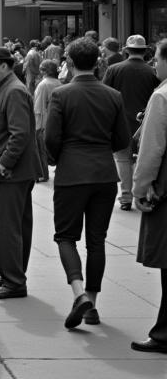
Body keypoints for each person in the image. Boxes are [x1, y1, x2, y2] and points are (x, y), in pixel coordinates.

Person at [43, 38, 131, 329]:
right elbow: (121, 141)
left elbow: (51, 137)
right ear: (98, 62)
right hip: (104, 174)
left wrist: (57, 159)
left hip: (71, 173)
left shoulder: (62, 95)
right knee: (97, 240)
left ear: (69, 62)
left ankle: (79, 293)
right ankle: (91, 303)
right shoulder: (113, 95)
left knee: (66, 237)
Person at [0, 45, 45, 299]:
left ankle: (14, 281)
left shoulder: (13, 90)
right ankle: (12, 274)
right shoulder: (8, 88)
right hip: (15, 172)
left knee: (5, 226)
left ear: (4, 66)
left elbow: (20, 134)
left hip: (12, 172)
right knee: (15, 225)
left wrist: (5, 163)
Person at [131, 38, 167, 353]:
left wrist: (140, 188)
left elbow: (152, 150)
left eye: (156, 58)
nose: (154, 63)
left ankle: (164, 333)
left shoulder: (162, 96)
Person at [103, 34, 159, 211]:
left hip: (120, 123)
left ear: (126, 51)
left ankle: (126, 196)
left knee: (122, 160)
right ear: (144, 52)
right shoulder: (153, 72)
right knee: (142, 159)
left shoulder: (113, 69)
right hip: (144, 124)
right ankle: (141, 194)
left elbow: (105, 95)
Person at [32, 59, 61, 181]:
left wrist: (36, 125)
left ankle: (42, 174)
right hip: (57, 120)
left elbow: (38, 108)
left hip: (44, 121)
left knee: (41, 150)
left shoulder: (43, 85)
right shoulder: (59, 83)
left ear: (44, 71)